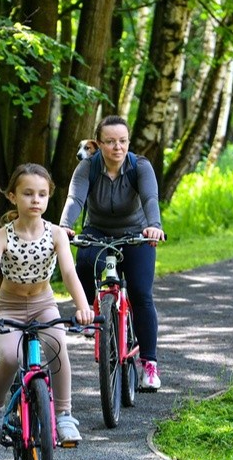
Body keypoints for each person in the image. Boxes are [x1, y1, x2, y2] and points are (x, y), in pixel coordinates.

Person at [0, 163, 95, 447]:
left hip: (43, 304)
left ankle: (63, 415)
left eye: (42, 194)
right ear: (12, 196)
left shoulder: (57, 234)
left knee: (58, 350)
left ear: (48, 198)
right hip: (9, 307)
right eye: (28, 193)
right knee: (9, 358)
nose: (36, 200)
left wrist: (83, 307)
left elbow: (69, 274)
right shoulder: (2, 236)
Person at [59, 115, 165, 391]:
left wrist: (154, 226)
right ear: (98, 143)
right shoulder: (87, 167)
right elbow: (75, 199)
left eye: (122, 141)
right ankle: (87, 312)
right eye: (109, 141)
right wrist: (64, 226)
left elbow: (150, 199)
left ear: (128, 142)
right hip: (97, 231)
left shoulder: (140, 167)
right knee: (82, 263)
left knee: (141, 293)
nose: (117, 147)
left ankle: (149, 364)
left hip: (136, 233)